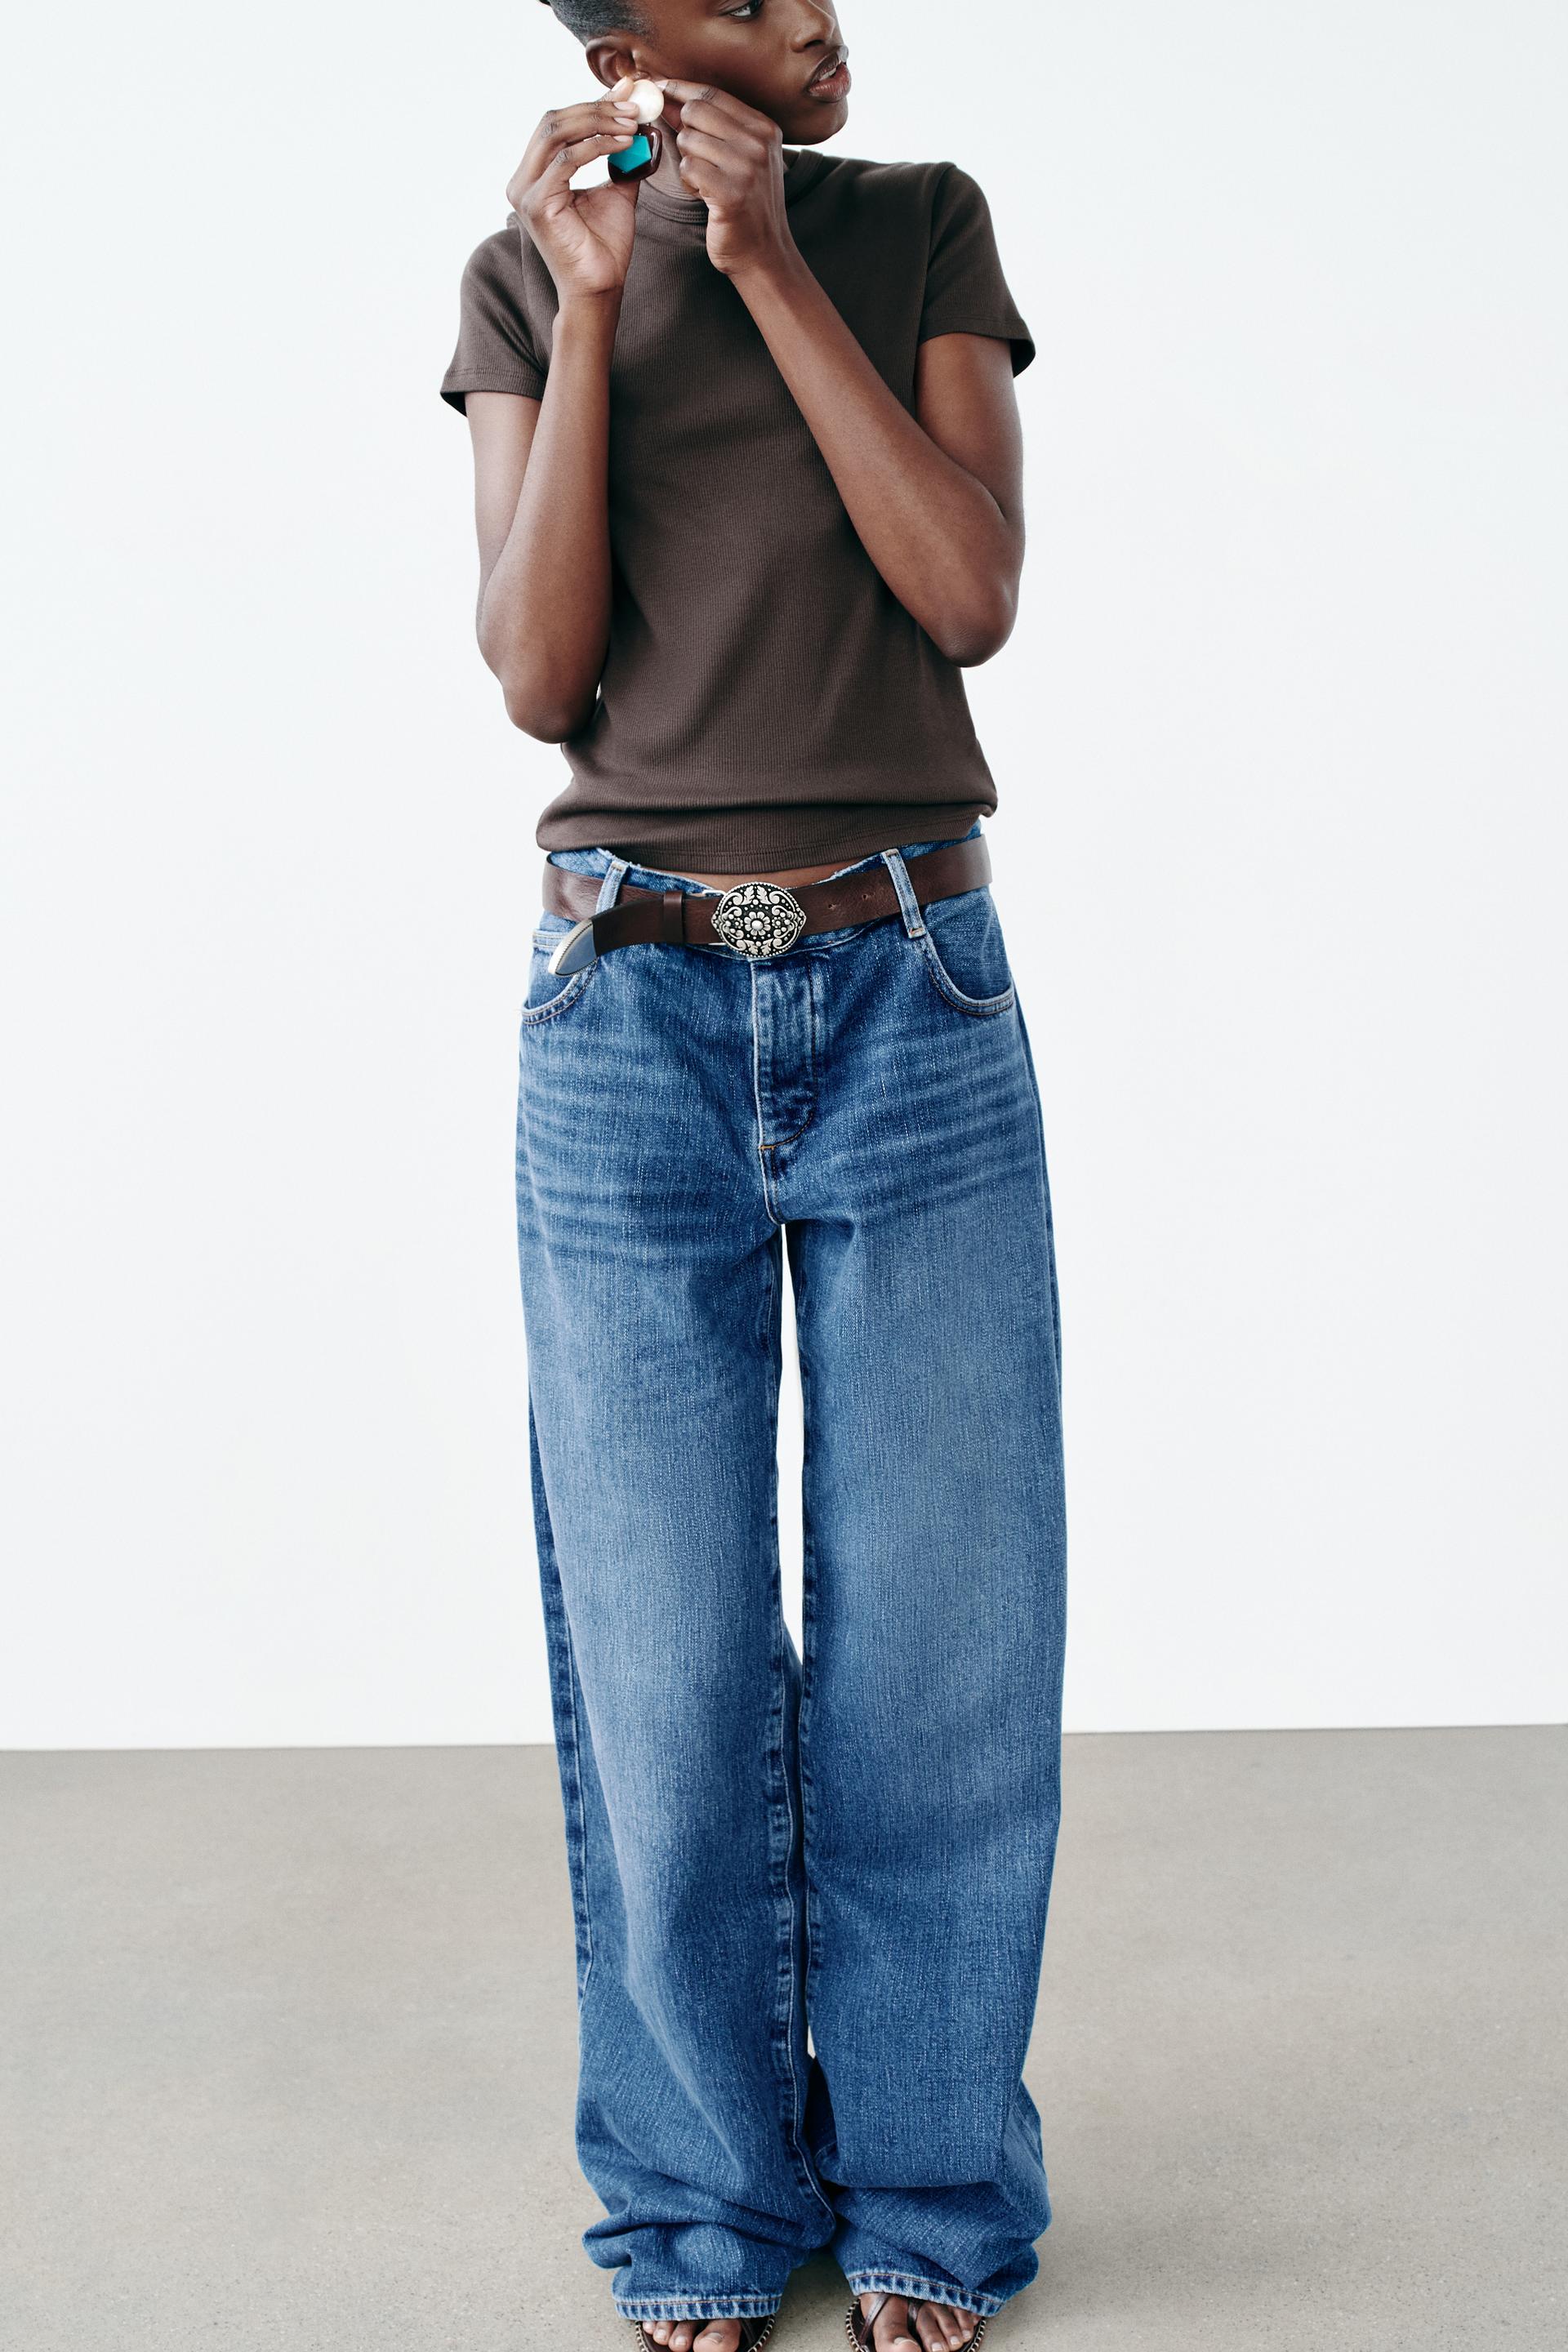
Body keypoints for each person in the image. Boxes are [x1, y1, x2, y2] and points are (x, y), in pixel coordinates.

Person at [439, 6, 1067, 2350]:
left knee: (946, 1652)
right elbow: (538, 674)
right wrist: (601, 310)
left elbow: (967, 593)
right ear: (632, 49)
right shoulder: (525, 276)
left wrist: (774, 264)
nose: (818, 19)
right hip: (627, 1014)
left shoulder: (914, 226)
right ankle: (703, 2204)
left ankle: (928, 2186)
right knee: (666, 1663)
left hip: (915, 986)